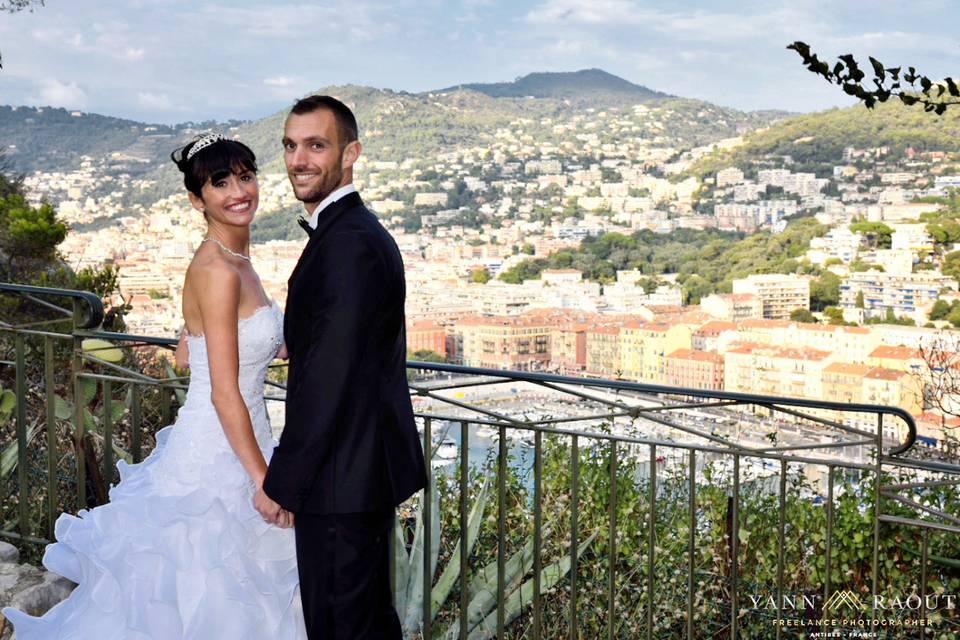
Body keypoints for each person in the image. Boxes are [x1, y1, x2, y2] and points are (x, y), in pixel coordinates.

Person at [2, 134, 307, 639]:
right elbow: (222, 391)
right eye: (221, 182)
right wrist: (262, 479)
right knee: (208, 592)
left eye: (246, 176)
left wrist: (263, 341)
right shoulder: (218, 270)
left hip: (237, 438)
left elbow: (206, 344)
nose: (239, 191)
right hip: (223, 451)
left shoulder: (234, 260)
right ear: (196, 199)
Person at [259, 95, 427, 638]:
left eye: (316, 145)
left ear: (350, 153)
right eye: (290, 145)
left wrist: (283, 482)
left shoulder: (348, 244)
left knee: (341, 627)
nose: (298, 159)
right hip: (355, 474)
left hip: (340, 480)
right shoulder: (350, 234)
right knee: (363, 623)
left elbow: (327, 381)